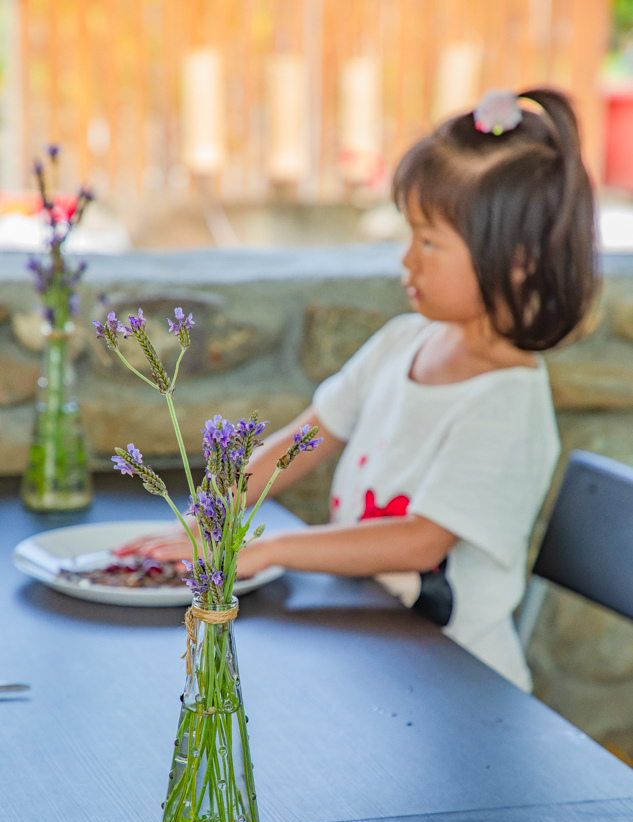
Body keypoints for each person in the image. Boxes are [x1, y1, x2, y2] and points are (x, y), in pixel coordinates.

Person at [118, 88, 597, 692]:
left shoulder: (507, 402)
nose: (408, 261)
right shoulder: (404, 341)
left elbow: (422, 541)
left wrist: (272, 550)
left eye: (429, 242)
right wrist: (215, 515)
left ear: (518, 259)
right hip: (378, 649)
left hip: (460, 682)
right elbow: (308, 436)